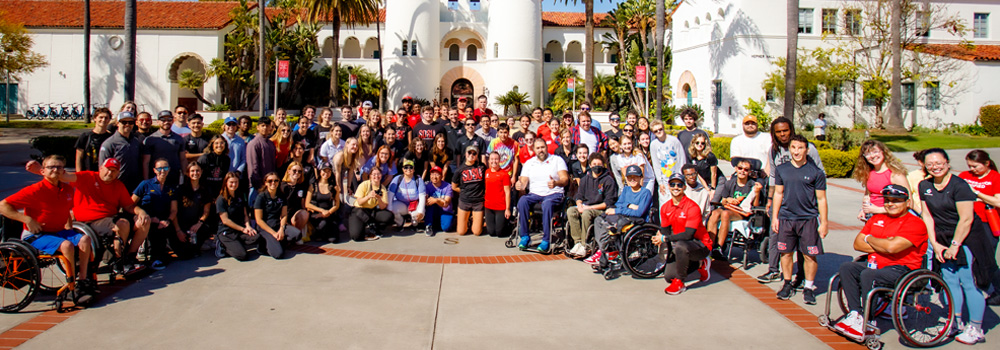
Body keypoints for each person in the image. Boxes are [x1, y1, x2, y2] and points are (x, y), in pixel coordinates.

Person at [919, 148, 996, 344]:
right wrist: (934, 243)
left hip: (967, 238)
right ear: (925, 166)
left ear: (947, 163)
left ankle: (976, 328)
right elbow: (927, 216)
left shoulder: (960, 186)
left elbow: (966, 219)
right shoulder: (924, 185)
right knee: (950, 281)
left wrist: (955, 245)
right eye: (930, 164)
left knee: (969, 282)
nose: (935, 167)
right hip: (942, 238)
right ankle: (956, 322)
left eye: (939, 163)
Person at [25, 157, 151, 275]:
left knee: (144, 221)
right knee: (122, 224)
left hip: (111, 217)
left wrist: (141, 212)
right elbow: (62, 176)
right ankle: (118, 262)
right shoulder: (87, 177)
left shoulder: (118, 185)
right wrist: (39, 170)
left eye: (114, 171)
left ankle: (129, 257)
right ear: (101, 168)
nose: (110, 173)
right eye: (108, 169)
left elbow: (129, 206)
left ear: (118, 173)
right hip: (89, 220)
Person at [833, 184, 928, 341]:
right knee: (847, 267)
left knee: (868, 274)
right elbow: (857, 245)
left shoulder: (915, 223)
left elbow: (892, 248)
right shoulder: (877, 218)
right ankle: (855, 314)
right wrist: (884, 243)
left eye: (896, 200)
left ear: (908, 203)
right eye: (887, 200)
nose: (891, 204)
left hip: (903, 269)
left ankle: (868, 320)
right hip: (876, 264)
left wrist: (870, 239)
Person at [0, 155, 96, 304]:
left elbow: (67, 211)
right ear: (43, 171)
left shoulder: (67, 189)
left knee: (85, 239)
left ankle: (82, 281)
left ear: (63, 171)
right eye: (51, 167)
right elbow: (3, 206)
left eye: (59, 167)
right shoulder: (34, 190)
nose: (55, 170)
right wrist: (27, 219)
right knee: (67, 245)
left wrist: (70, 228)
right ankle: (71, 287)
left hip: (58, 231)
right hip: (36, 235)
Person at [771, 135, 829, 304]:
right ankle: (787, 283)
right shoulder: (781, 169)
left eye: (800, 148)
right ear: (790, 149)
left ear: (807, 150)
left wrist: (824, 222)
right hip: (786, 218)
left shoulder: (816, 173)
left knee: (810, 255)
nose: (796, 151)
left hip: (808, 219)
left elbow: (822, 199)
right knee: (786, 253)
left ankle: (809, 287)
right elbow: (778, 194)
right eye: (794, 147)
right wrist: (775, 217)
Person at [652, 173, 714, 295]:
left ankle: (680, 282)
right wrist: (658, 237)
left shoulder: (692, 207)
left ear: (684, 187)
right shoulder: (665, 207)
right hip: (683, 245)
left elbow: (688, 235)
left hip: (700, 244)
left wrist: (665, 238)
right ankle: (700, 264)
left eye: (679, 185)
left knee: (681, 246)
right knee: (669, 276)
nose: (676, 187)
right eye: (673, 184)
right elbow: (664, 231)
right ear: (668, 187)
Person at [584, 165, 652, 265]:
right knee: (599, 220)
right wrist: (629, 205)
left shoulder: (645, 193)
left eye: (635, 176)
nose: (632, 179)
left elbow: (638, 212)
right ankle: (603, 250)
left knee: (612, 224)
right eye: (629, 177)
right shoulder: (626, 190)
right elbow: (619, 204)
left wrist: (619, 210)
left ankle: (604, 252)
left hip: (636, 220)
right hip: (623, 216)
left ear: (640, 177)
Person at [958, 150, 1000, 305]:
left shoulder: (995, 178)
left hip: (987, 223)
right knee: (968, 256)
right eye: (970, 166)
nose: (972, 169)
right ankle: (976, 284)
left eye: (975, 166)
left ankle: (997, 289)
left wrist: (977, 193)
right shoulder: (964, 175)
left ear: (987, 163)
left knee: (987, 259)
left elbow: (998, 202)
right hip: (968, 220)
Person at [515, 138, 571, 252]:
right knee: (522, 201)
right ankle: (525, 236)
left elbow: (565, 179)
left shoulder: (557, 160)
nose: (541, 150)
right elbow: (524, 180)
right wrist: (520, 184)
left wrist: (556, 183)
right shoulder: (530, 163)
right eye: (538, 148)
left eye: (542, 147)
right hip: (535, 194)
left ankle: (546, 239)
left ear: (546, 148)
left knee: (547, 203)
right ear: (534, 149)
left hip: (554, 194)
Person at [706, 159, 762, 260]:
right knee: (714, 213)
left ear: (749, 172)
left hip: (741, 212)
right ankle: (709, 245)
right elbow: (723, 201)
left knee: (725, 214)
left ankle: (719, 247)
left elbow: (755, 205)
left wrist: (757, 193)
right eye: (740, 168)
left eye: (746, 169)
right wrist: (728, 199)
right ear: (736, 169)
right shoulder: (730, 183)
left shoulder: (752, 185)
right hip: (728, 206)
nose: (742, 171)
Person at [132, 158, 182, 270]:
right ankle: (155, 258)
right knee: (155, 230)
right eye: (159, 168)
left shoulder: (171, 188)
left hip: (164, 220)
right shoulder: (145, 184)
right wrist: (144, 215)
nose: (162, 171)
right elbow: (130, 204)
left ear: (169, 170)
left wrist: (167, 221)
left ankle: (164, 254)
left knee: (184, 254)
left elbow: (174, 210)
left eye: (165, 168)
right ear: (154, 170)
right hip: (147, 219)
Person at [566, 152, 618, 258]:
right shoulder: (585, 179)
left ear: (603, 165)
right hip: (586, 206)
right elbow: (579, 195)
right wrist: (579, 204)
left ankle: (585, 245)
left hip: (600, 209)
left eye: (599, 164)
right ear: (590, 165)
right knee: (571, 211)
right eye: (594, 164)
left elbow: (607, 203)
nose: (596, 167)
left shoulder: (608, 180)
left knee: (586, 214)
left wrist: (588, 207)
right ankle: (578, 242)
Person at [853, 140, 909, 222]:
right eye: (867, 154)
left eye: (875, 152)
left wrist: (878, 209)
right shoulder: (869, 173)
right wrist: (863, 210)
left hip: (891, 219)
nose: (872, 156)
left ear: (883, 152)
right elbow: (868, 195)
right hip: (872, 218)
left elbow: (908, 203)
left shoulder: (895, 175)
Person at [253, 172, 302, 259]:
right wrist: (273, 233)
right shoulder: (261, 197)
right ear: (265, 183)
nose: (273, 183)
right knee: (278, 254)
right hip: (265, 228)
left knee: (297, 234)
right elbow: (259, 220)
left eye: (276, 181)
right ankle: (262, 245)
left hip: (277, 225)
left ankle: (277, 242)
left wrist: (281, 229)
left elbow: (283, 215)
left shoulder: (281, 196)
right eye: (270, 181)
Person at [215, 172, 258, 261]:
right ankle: (222, 245)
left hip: (239, 230)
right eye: (231, 182)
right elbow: (225, 220)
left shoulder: (240, 196)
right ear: (226, 183)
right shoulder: (221, 199)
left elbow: (245, 214)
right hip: (227, 232)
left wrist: (248, 227)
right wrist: (243, 229)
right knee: (242, 255)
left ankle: (237, 243)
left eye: (236, 182)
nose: (234, 184)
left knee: (258, 237)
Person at [173, 162, 212, 256]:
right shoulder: (180, 190)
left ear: (201, 172)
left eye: (197, 170)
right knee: (185, 255)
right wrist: (178, 230)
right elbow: (173, 212)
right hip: (180, 226)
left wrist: (199, 223)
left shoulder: (205, 190)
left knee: (193, 252)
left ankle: (197, 244)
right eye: (192, 171)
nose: (195, 173)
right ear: (187, 173)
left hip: (194, 225)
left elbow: (206, 211)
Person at [99, 111, 144, 192]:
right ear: (117, 123)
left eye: (130, 122)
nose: (127, 124)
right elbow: (102, 168)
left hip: (135, 186)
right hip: (116, 186)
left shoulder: (136, 142)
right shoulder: (109, 143)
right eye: (124, 122)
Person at [142, 110, 187, 187]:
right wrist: (146, 181)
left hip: (174, 178)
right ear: (158, 122)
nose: (166, 122)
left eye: (169, 119)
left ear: (173, 121)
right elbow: (146, 162)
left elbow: (182, 159)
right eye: (163, 120)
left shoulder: (179, 139)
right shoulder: (150, 139)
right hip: (155, 179)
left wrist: (185, 177)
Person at [649, 120, 688, 206]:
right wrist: (660, 182)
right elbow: (656, 164)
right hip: (664, 180)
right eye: (656, 131)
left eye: (660, 129)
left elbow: (681, 159)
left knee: (678, 203)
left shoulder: (674, 140)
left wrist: (681, 177)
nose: (659, 132)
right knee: (665, 205)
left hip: (676, 178)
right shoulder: (653, 145)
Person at [349, 166, 394, 241]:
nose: (376, 176)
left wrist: (379, 199)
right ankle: (367, 226)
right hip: (359, 210)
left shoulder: (382, 188)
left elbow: (383, 207)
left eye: (378, 174)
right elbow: (359, 202)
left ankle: (375, 227)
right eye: (374, 174)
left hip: (372, 211)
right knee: (356, 236)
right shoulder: (364, 184)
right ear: (370, 176)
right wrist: (368, 196)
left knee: (389, 216)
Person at [453, 145, 487, 236]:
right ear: (465, 154)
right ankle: (466, 220)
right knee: (461, 232)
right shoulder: (459, 170)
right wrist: (464, 191)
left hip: (478, 201)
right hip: (465, 200)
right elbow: (454, 186)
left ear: (477, 156)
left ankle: (474, 220)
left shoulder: (482, 167)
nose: (471, 155)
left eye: (474, 153)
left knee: (477, 232)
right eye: (469, 153)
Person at [388, 159, 427, 232]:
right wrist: (389, 209)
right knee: (391, 208)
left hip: (414, 204)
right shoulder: (397, 179)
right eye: (406, 167)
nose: (408, 169)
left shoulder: (418, 180)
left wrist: (421, 211)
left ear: (414, 169)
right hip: (401, 203)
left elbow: (422, 196)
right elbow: (390, 194)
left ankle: (414, 224)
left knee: (418, 213)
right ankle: (400, 222)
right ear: (402, 169)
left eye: (411, 167)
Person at [305, 164, 341, 242]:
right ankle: (317, 233)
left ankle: (324, 234)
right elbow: (307, 204)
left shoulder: (334, 187)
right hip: (316, 214)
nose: (326, 173)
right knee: (322, 224)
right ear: (320, 172)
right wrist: (321, 211)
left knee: (334, 239)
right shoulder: (313, 185)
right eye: (324, 171)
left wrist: (328, 212)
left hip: (329, 214)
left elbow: (337, 205)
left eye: (329, 171)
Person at [247, 116, 277, 203]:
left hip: (269, 183)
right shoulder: (253, 143)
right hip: (257, 185)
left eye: (267, 126)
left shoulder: (270, 143)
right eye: (262, 125)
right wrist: (258, 185)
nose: (265, 128)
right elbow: (253, 167)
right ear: (258, 127)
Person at [279, 161, 311, 242]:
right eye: (294, 171)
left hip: (295, 217)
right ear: (289, 171)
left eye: (299, 171)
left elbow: (302, 204)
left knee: (304, 213)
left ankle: (297, 234)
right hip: (283, 217)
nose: (297, 173)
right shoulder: (283, 186)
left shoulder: (301, 186)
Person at [75, 107, 114, 172]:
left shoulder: (111, 137)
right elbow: (79, 157)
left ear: (109, 120)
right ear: (95, 119)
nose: (103, 120)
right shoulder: (85, 136)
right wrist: (79, 174)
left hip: (105, 174)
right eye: (101, 117)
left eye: (106, 118)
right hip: (88, 173)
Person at [484, 152, 512, 238]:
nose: (494, 161)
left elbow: (507, 192)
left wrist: (507, 209)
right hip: (489, 206)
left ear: (499, 160)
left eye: (496, 159)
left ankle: (510, 225)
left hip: (500, 207)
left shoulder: (504, 174)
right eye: (492, 159)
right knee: (491, 232)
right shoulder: (487, 172)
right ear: (489, 161)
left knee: (500, 233)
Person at [425, 166, 454, 236]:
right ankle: (428, 226)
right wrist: (439, 201)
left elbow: (446, 203)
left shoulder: (448, 186)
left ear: (441, 176)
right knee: (430, 207)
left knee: (446, 227)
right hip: (433, 210)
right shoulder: (427, 186)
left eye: (437, 174)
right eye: (432, 174)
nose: (434, 177)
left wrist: (436, 200)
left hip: (445, 210)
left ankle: (448, 221)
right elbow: (426, 201)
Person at [221, 116, 247, 180]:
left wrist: (238, 172)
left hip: (236, 176)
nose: (231, 126)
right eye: (228, 124)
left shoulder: (241, 141)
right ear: (224, 126)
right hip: (222, 175)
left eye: (233, 124)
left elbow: (243, 158)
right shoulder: (220, 139)